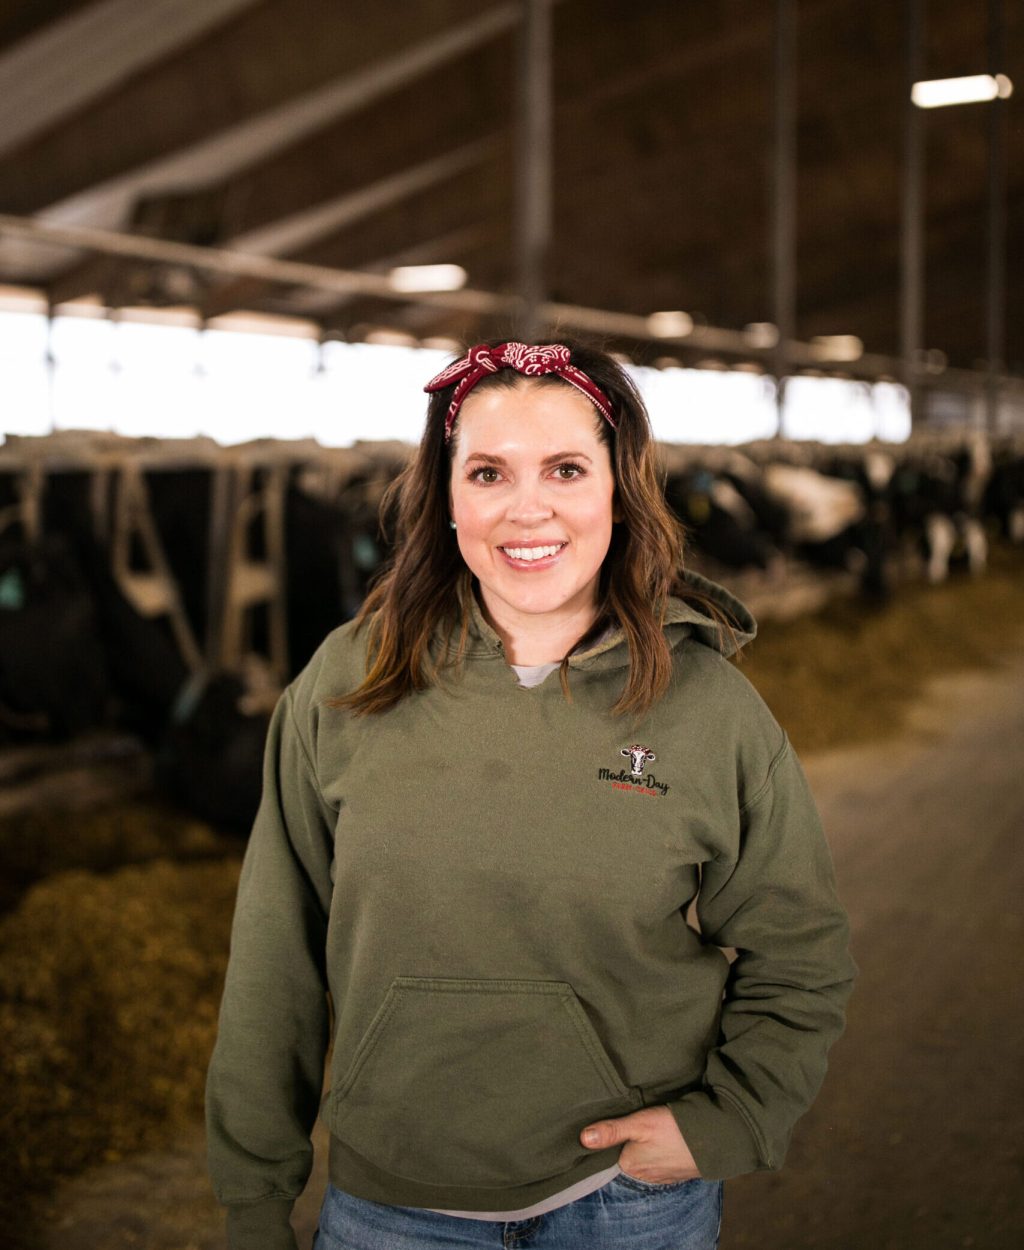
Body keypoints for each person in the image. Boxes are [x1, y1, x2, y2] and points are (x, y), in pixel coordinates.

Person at [206, 339, 855, 1250]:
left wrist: (732, 1118)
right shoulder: (347, 683)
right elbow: (277, 951)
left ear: (619, 490)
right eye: (486, 472)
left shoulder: (709, 708)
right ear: (445, 497)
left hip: (626, 1207)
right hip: (394, 1207)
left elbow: (803, 949)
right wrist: (253, 1198)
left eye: (564, 467)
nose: (527, 508)